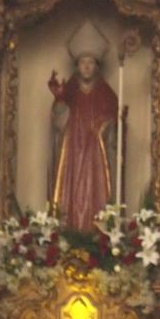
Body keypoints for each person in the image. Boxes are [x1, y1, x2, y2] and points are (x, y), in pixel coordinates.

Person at [48, 21, 118, 231]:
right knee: (69, 190)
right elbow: (58, 125)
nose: (86, 66)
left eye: (91, 62)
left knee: (96, 191)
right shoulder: (68, 91)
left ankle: (100, 230)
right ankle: (66, 228)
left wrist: (109, 126)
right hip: (72, 155)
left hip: (96, 156)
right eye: (82, 62)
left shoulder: (107, 94)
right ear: (77, 66)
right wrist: (59, 101)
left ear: (96, 66)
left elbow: (115, 128)